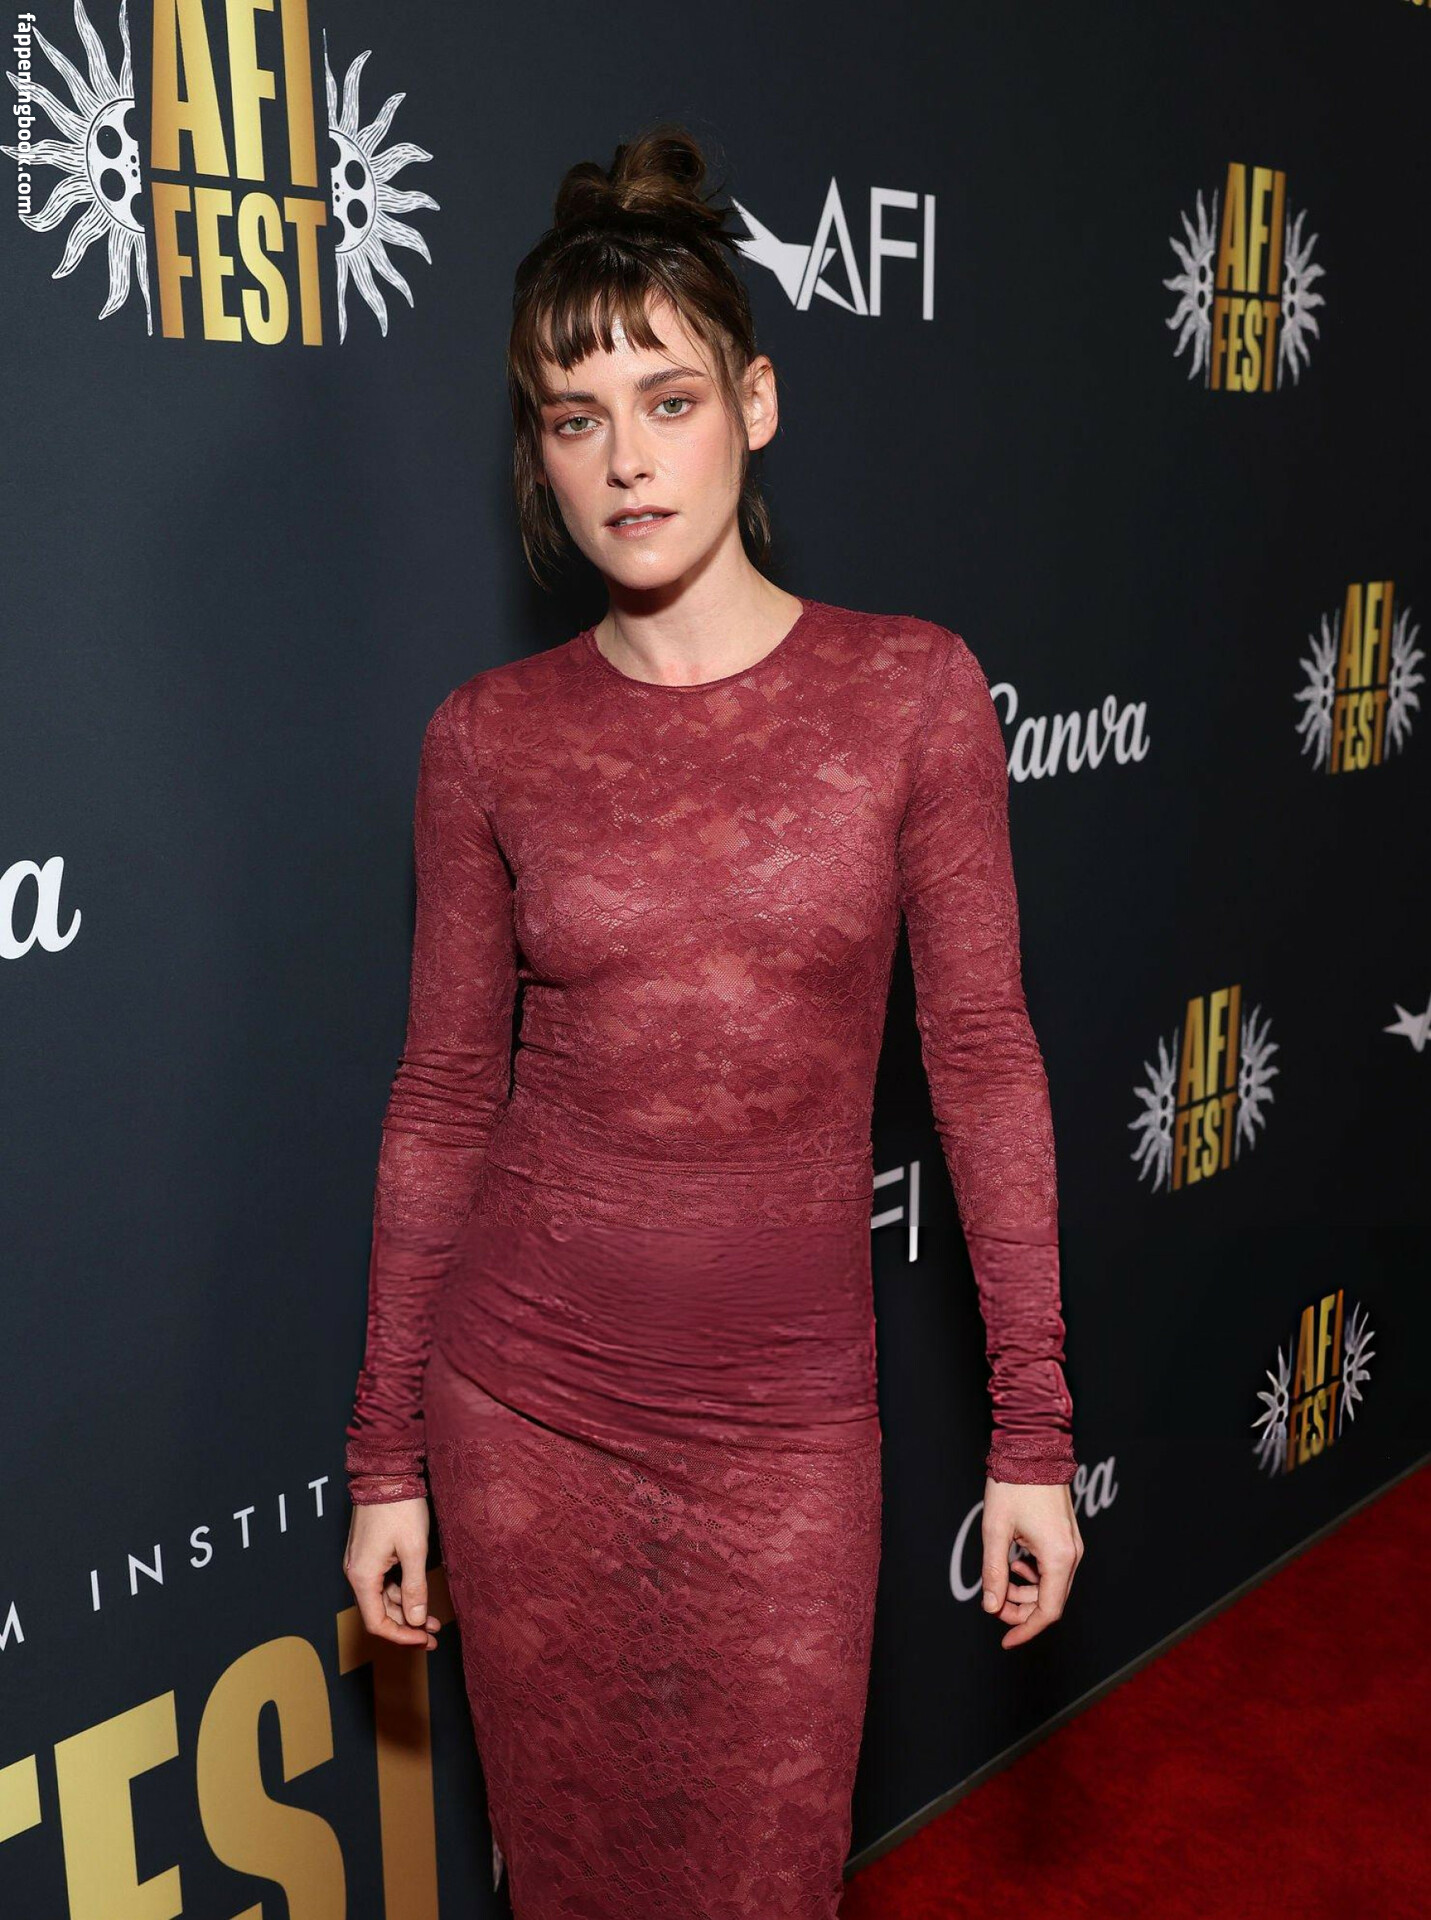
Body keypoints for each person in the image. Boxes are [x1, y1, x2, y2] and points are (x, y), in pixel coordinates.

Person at [342, 121, 1083, 1919]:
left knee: (768, 1880)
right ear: (537, 449)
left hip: (784, 1429)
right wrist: (383, 1459)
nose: (623, 460)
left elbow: (984, 1069)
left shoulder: (911, 694)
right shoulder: (486, 738)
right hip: (521, 1411)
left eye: (666, 401)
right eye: (573, 417)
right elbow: (441, 1103)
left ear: (754, 404)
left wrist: (1035, 1433)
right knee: (566, 1881)